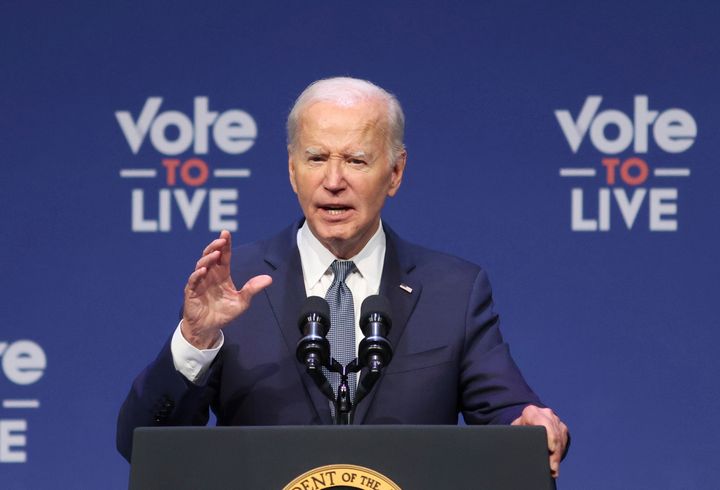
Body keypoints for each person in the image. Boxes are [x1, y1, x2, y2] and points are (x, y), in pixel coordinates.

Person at [117, 77, 569, 476]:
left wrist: (529, 428)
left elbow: (511, 413)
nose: (333, 180)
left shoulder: (453, 290)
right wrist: (195, 340)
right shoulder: (234, 286)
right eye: (316, 158)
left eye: (356, 160)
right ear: (292, 170)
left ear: (395, 172)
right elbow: (143, 445)